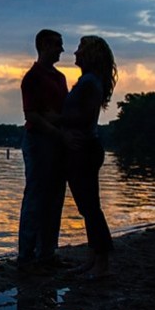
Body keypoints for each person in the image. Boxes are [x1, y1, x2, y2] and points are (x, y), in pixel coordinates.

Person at [61, 35, 118, 278]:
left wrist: (55, 119)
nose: (75, 53)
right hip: (83, 149)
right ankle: (92, 259)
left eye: (80, 48)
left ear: (90, 54)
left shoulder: (90, 83)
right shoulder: (89, 81)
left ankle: (101, 264)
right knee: (88, 207)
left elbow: (84, 118)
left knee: (91, 208)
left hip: (84, 150)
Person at [17, 29, 68, 269]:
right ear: (44, 45)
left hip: (57, 143)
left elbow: (63, 112)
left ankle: (47, 252)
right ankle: (26, 255)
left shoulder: (60, 78)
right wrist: (56, 127)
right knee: (36, 197)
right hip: (38, 141)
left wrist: (55, 120)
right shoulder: (32, 77)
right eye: (58, 45)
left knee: (55, 197)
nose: (61, 49)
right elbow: (32, 116)